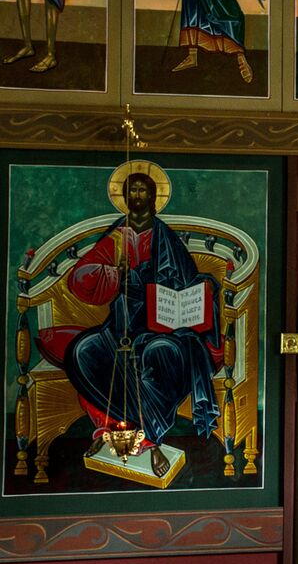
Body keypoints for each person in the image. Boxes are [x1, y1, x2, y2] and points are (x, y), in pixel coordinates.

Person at [59, 168, 223, 474]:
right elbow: (81, 276)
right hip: (123, 325)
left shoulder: (168, 239)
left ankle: (151, 439)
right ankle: (107, 431)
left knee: (158, 354)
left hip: (167, 327)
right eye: (131, 191)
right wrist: (116, 274)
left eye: (142, 190)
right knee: (85, 351)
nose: (136, 196)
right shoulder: (118, 237)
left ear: (154, 197)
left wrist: (198, 292)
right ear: (123, 197)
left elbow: (187, 280)